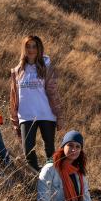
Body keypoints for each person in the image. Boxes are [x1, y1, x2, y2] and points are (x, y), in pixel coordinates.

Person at [10, 35, 64, 171]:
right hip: (26, 115)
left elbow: (53, 93)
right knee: (28, 149)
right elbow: (14, 97)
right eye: (28, 46)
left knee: (49, 148)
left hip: (46, 114)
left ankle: (52, 174)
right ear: (24, 48)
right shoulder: (17, 71)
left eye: (34, 46)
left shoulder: (46, 67)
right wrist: (14, 118)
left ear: (39, 48)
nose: (31, 49)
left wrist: (59, 116)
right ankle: (36, 175)